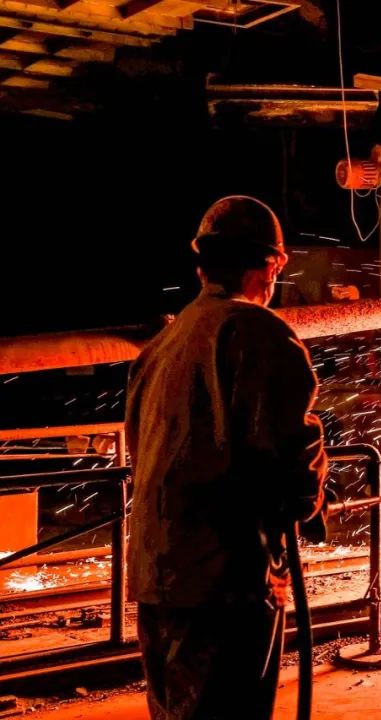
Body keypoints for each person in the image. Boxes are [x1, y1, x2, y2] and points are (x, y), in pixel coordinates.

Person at [125, 195, 328, 719]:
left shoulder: (162, 343)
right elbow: (289, 452)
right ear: (271, 265)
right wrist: (309, 503)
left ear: (203, 264)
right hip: (224, 583)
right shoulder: (257, 330)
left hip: (156, 575)